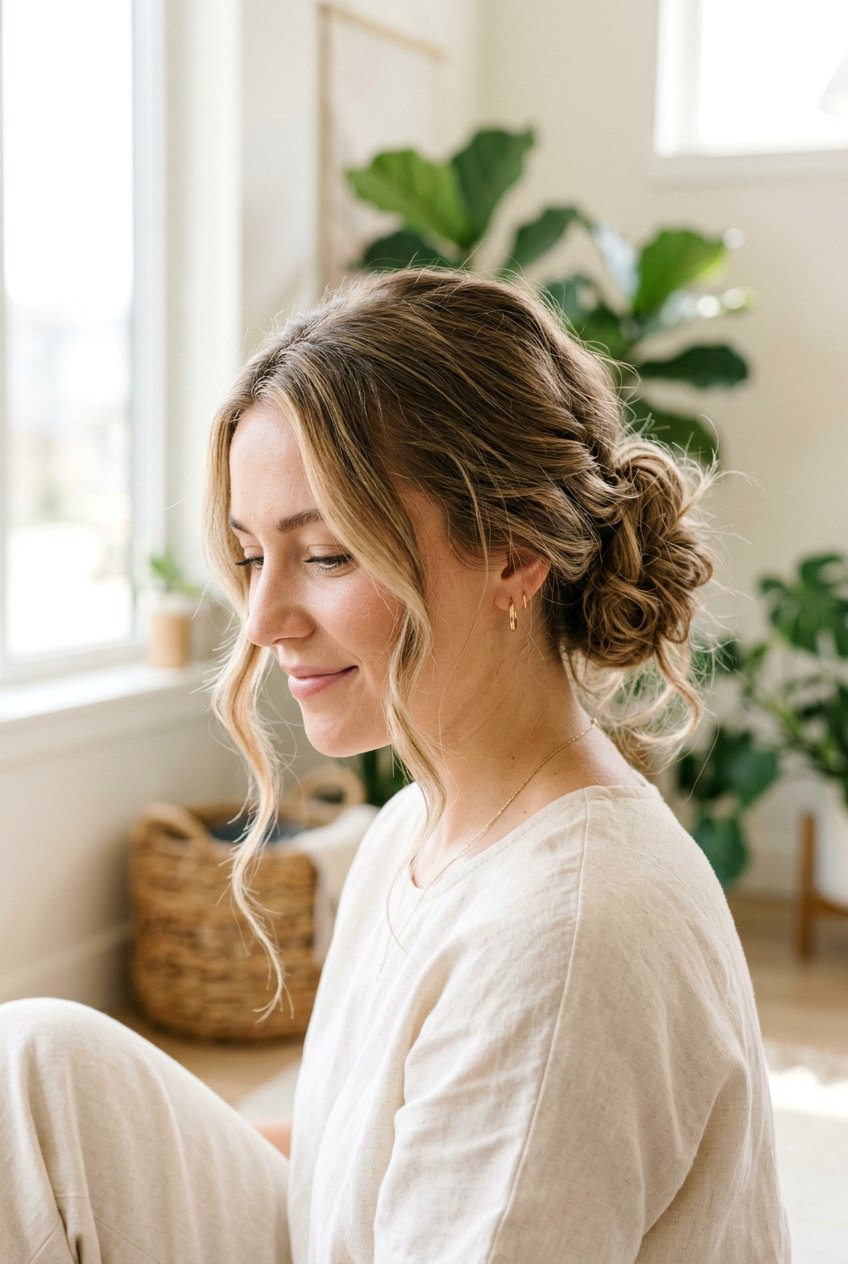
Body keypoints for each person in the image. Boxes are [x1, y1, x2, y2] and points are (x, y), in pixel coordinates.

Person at [0, 268, 789, 1263]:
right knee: (35, 1071)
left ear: (511, 553)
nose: (263, 620)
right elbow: (351, 1163)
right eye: (252, 555)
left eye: (325, 554)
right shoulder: (411, 829)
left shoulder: (563, 938)